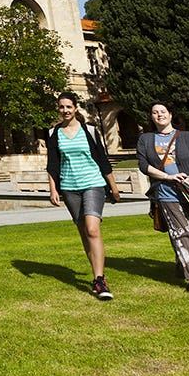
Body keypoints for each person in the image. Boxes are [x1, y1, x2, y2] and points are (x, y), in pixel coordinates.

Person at [45, 91, 121, 300]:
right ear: (58, 109)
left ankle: (100, 279)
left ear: (76, 108)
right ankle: (96, 275)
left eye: (69, 106)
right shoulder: (53, 133)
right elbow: (52, 164)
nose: (65, 110)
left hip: (93, 183)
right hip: (70, 187)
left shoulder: (89, 130)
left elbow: (102, 159)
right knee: (84, 233)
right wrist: (53, 189)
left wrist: (113, 187)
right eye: (61, 107)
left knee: (92, 229)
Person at [136, 102, 189, 292]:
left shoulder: (187, 137)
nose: (159, 115)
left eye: (163, 111)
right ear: (151, 117)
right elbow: (143, 165)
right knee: (181, 231)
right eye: (154, 112)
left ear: (171, 114)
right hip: (166, 193)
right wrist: (167, 176)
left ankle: (186, 267)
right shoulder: (146, 139)